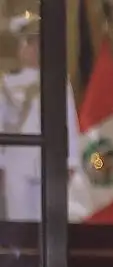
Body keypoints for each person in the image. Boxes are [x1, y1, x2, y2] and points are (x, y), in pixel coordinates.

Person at [0, 11, 77, 223]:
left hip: (49, 159)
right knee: (18, 219)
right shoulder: (6, 83)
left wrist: (71, 160)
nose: (33, 50)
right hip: (16, 160)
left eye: (37, 45)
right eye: (28, 44)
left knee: (49, 219)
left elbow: (68, 120)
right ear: (20, 49)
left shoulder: (58, 80)